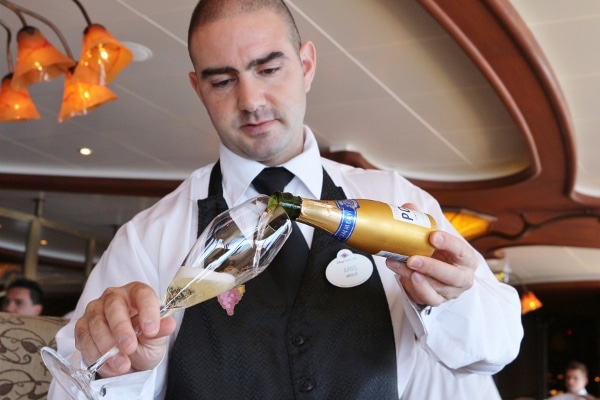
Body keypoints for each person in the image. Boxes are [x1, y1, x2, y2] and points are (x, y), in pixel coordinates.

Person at [49, 1, 523, 398]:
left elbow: (491, 351)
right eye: (222, 81)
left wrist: (452, 298)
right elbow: (71, 386)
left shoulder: (396, 199)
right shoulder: (148, 238)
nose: (251, 99)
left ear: (307, 65)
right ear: (198, 89)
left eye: (269, 68)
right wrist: (122, 370)